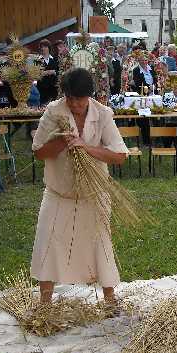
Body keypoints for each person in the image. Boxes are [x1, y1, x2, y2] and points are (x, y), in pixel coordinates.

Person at [30, 68, 129, 304]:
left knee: (100, 244)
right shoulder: (54, 112)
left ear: (89, 95)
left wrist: (86, 147)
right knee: (48, 244)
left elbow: (119, 156)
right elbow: (39, 153)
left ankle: (109, 298)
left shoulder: (102, 113)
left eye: (80, 99)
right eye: (70, 98)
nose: (74, 104)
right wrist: (61, 141)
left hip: (93, 193)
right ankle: (45, 302)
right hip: (58, 192)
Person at [35, 39, 59, 105]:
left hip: (54, 87)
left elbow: (59, 71)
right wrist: (44, 73)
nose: (43, 48)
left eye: (45, 47)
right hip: (42, 87)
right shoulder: (38, 60)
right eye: (41, 47)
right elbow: (35, 73)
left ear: (49, 48)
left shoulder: (55, 59)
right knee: (43, 105)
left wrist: (54, 72)